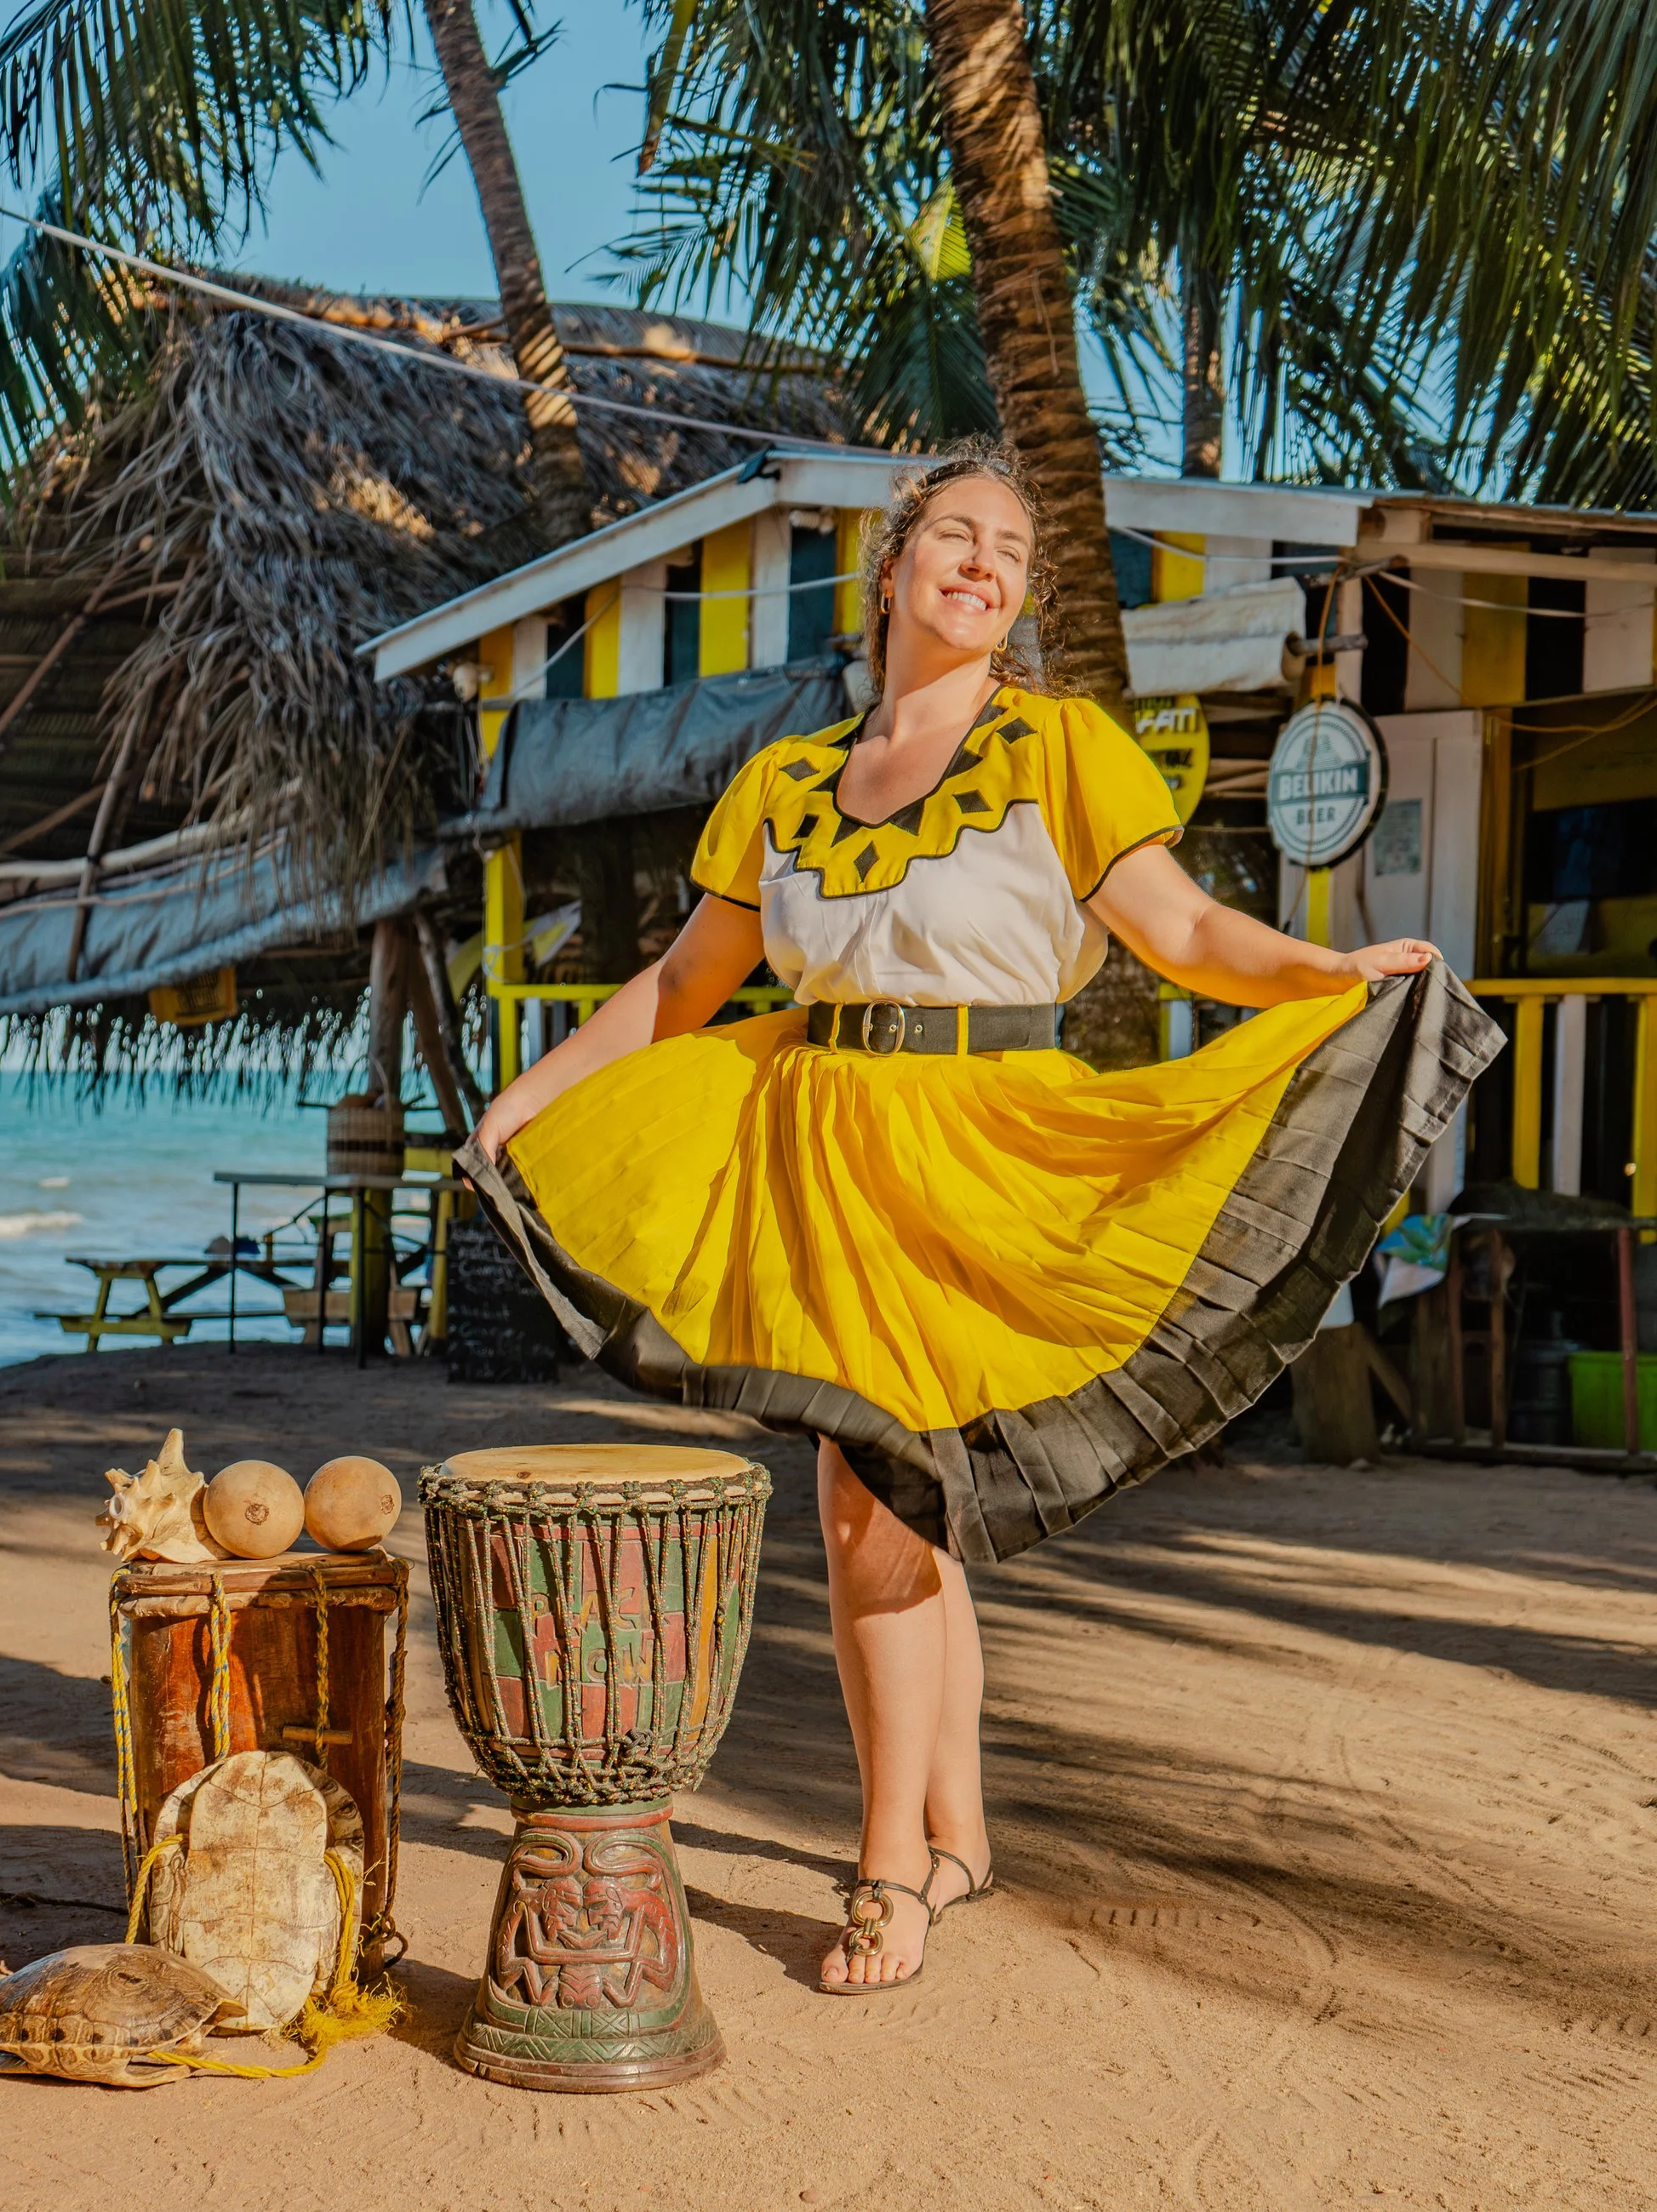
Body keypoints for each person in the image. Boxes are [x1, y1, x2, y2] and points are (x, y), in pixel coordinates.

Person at [464, 442, 1500, 1998]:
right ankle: (952, 1838)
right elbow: (684, 988)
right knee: (888, 1495)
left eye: (1012, 551)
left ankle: (892, 1868)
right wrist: (527, 1098)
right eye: (957, 535)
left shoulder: (1061, 745)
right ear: (891, 569)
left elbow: (1184, 930)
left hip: (992, 1146)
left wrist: (1326, 972)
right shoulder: (784, 783)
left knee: (884, 1502)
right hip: (820, 1158)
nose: (985, 563)